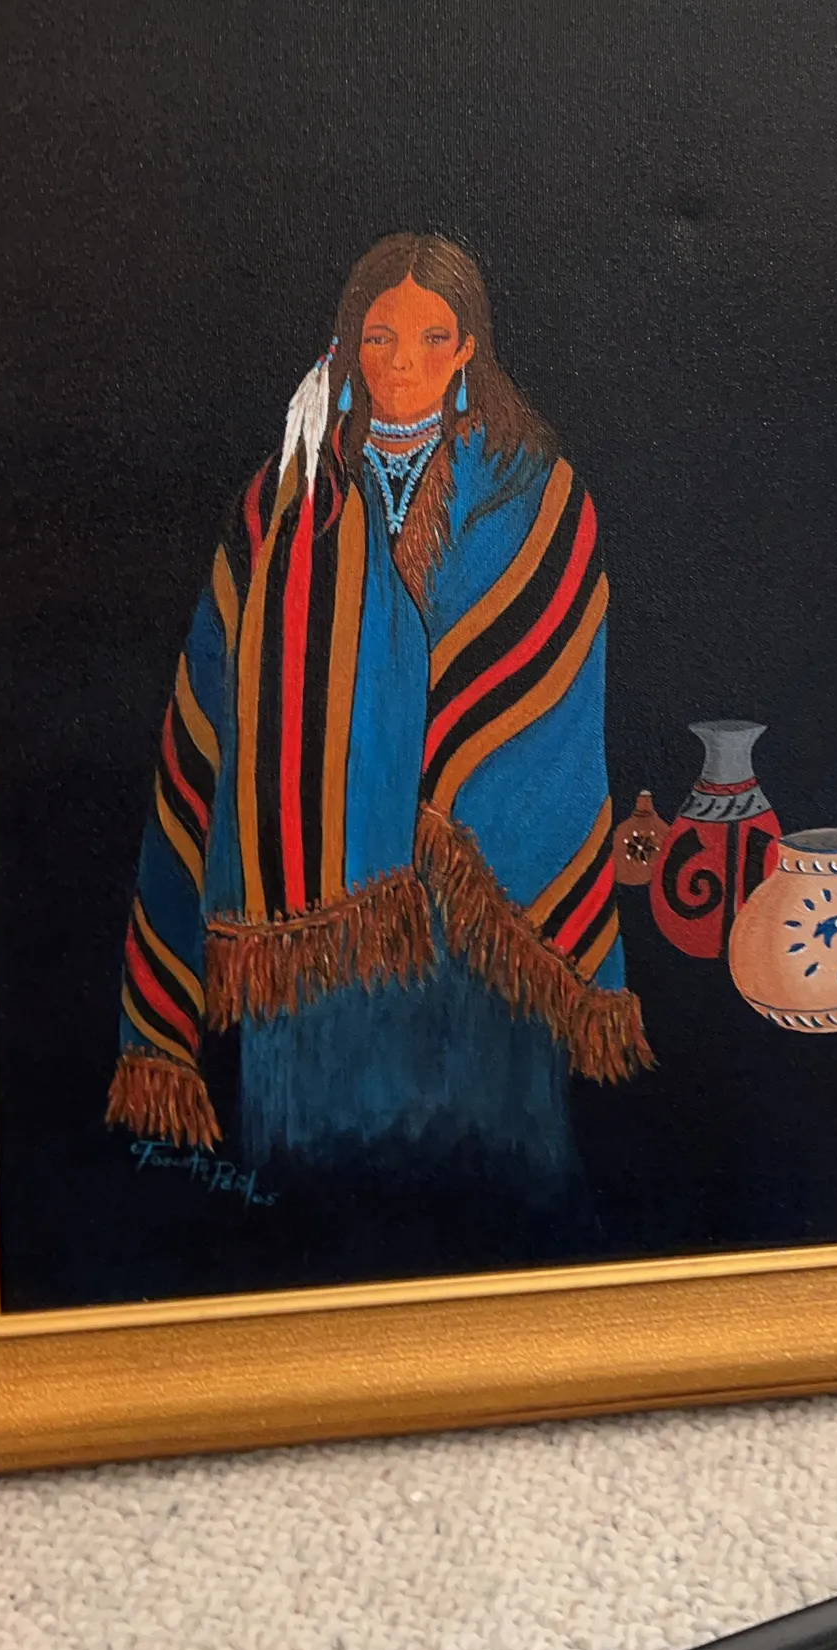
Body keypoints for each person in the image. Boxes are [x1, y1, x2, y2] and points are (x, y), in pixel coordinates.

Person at [106, 233, 649, 1218]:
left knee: (493, 1192)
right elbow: (210, 702)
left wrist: (440, 791)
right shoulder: (278, 501)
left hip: (478, 919)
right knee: (312, 1195)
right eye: (379, 336)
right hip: (311, 917)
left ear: (468, 347)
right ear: (346, 346)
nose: (402, 362)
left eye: (431, 336)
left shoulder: (540, 497)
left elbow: (555, 705)